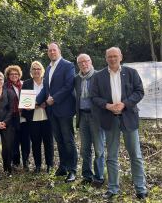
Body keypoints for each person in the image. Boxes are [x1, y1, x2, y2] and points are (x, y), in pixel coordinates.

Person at [90, 47, 148, 200]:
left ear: (121, 57)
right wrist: (107, 105)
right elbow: (94, 97)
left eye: (115, 56)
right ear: (106, 58)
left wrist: (125, 104)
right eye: (109, 56)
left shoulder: (131, 73)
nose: (112, 59)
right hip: (110, 119)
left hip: (128, 117)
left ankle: (140, 188)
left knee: (135, 155)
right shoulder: (99, 76)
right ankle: (113, 188)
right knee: (112, 156)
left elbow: (139, 91)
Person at [36, 42, 77, 183]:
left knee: (68, 140)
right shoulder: (48, 68)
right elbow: (45, 89)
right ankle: (63, 166)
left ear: (59, 50)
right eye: (49, 50)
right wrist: (34, 102)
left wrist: (55, 98)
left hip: (64, 110)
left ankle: (72, 170)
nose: (52, 52)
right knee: (59, 140)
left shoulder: (68, 65)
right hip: (52, 110)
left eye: (54, 50)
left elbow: (69, 85)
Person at [74, 54, 105, 186]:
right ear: (78, 65)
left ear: (91, 62)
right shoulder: (76, 79)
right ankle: (87, 176)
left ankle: (99, 177)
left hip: (96, 117)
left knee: (98, 148)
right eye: (80, 63)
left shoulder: (99, 76)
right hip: (82, 116)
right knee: (84, 149)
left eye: (86, 61)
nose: (83, 64)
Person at [21, 61, 54, 173]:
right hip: (33, 118)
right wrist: (38, 104)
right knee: (35, 143)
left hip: (47, 117)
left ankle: (50, 165)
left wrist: (40, 103)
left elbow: (51, 98)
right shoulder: (26, 83)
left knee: (48, 142)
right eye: (34, 69)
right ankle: (38, 165)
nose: (36, 71)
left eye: (38, 68)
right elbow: (26, 103)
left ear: (42, 70)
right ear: (31, 71)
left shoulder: (48, 82)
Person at [4, 65, 30, 171]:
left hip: (25, 116)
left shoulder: (25, 84)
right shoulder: (5, 87)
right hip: (12, 117)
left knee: (26, 140)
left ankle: (26, 162)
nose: (14, 76)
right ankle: (16, 162)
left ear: (19, 75)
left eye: (16, 74)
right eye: (11, 74)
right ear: (8, 76)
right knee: (14, 141)